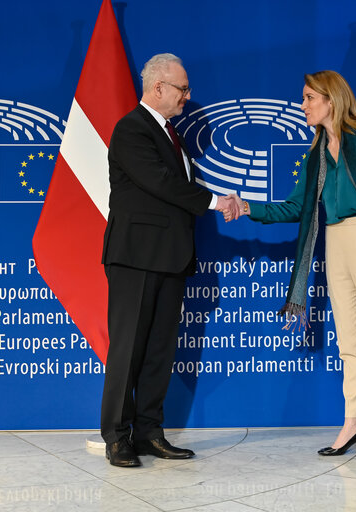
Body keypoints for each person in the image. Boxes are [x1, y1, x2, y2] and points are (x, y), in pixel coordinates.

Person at [227, 70, 356, 461]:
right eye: (304, 98)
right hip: (335, 241)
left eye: (310, 97)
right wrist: (247, 207)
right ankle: (352, 421)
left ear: (331, 100)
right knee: (349, 341)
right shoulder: (315, 155)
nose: (304, 105)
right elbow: (297, 206)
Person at [100, 53, 238, 467]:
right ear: (158, 88)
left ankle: (149, 432)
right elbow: (160, 183)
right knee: (128, 351)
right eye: (182, 89)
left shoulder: (170, 133)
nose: (187, 96)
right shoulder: (131, 129)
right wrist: (216, 201)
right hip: (136, 257)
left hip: (170, 258)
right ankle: (116, 437)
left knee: (160, 350)